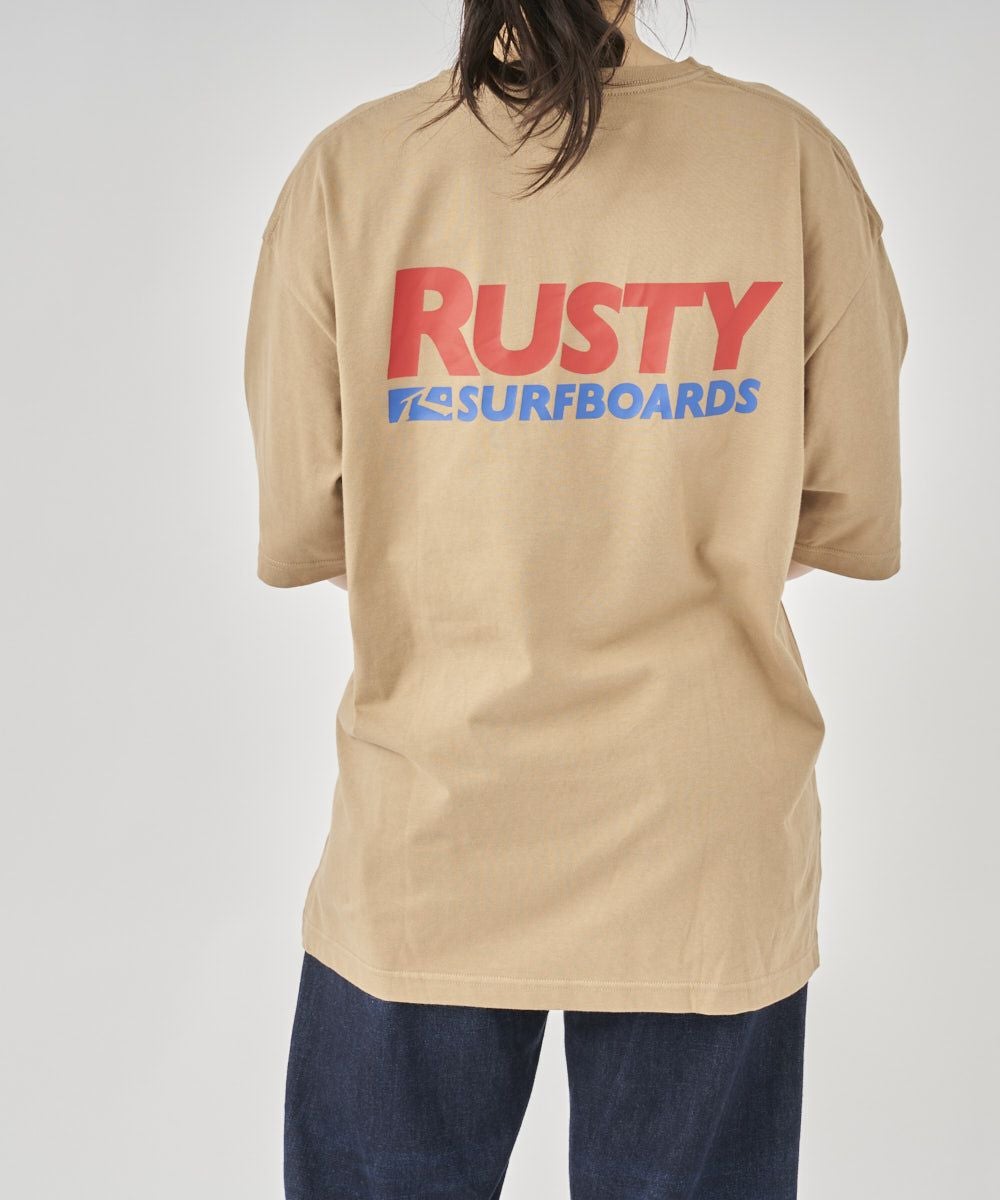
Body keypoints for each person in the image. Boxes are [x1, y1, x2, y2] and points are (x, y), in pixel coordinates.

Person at [244, 1, 906, 1196]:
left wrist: (462, 534)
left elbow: (306, 526)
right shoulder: (788, 161)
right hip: (698, 842)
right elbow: (844, 508)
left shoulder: (351, 171)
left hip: (429, 832)